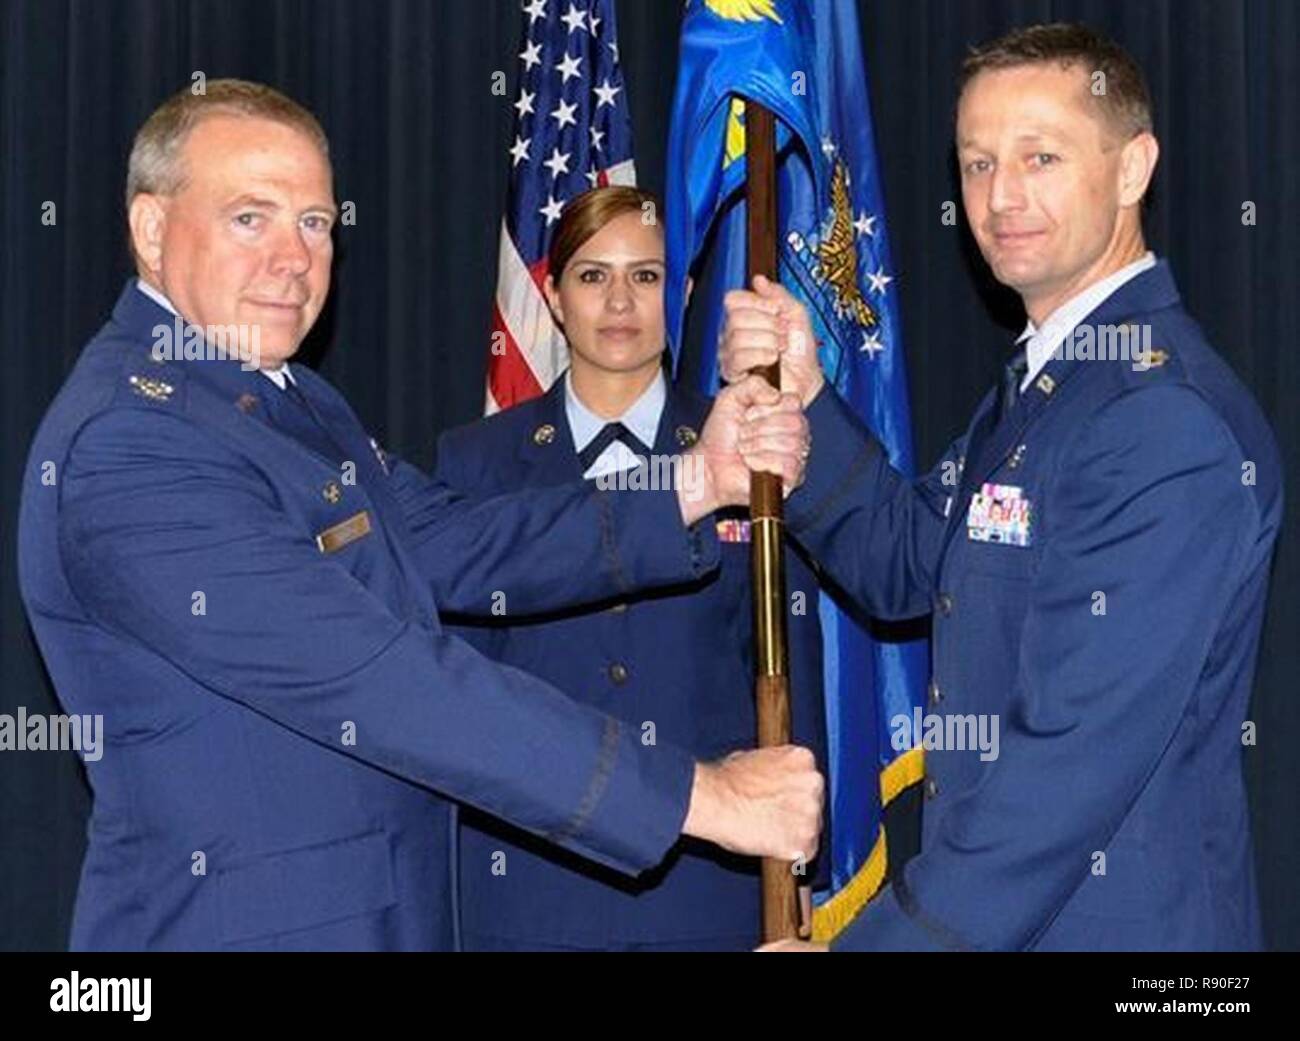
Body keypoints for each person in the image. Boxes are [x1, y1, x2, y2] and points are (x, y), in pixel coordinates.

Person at [16, 79, 821, 951]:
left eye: (316, 223)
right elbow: (384, 680)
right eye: (251, 217)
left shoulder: (289, 399)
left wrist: (695, 481)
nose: (293, 258)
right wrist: (703, 796)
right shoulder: (133, 442)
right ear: (150, 230)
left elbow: (458, 539)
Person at [728, 24, 1282, 951]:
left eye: (1042, 156)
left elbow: (1060, 774)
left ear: (1134, 166)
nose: (1002, 196)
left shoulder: (1163, 421)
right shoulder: (1049, 387)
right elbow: (911, 565)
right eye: (978, 163)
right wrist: (810, 397)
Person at [436, 186, 827, 951]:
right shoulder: (474, 463)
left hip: (708, 888)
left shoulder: (751, 452)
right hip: (530, 887)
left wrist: (798, 875)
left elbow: (790, 681)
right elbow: (456, 692)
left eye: (645, 276)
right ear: (550, 295)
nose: (620, 301)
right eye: (592, 276)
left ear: (680, 293)